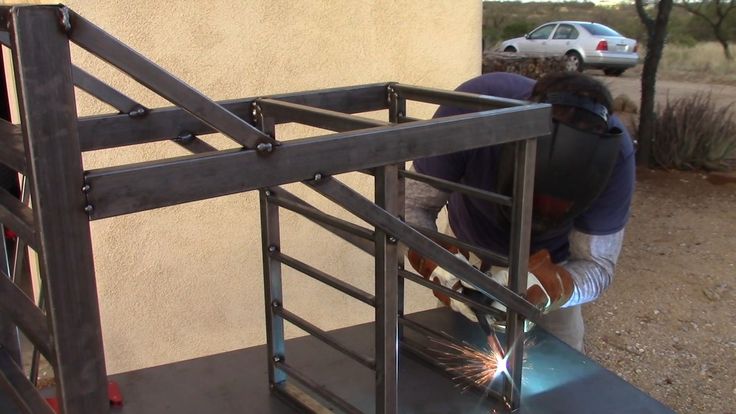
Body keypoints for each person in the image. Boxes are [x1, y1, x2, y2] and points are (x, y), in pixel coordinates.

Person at [405, 71, 635, 352]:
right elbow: (413, 205)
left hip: (551, 265)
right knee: (455, 354)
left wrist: (551, 287)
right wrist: (442, 267)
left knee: (563, 368)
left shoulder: (616, 158)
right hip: (467, 245)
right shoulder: (473, 111)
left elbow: (597, 264)